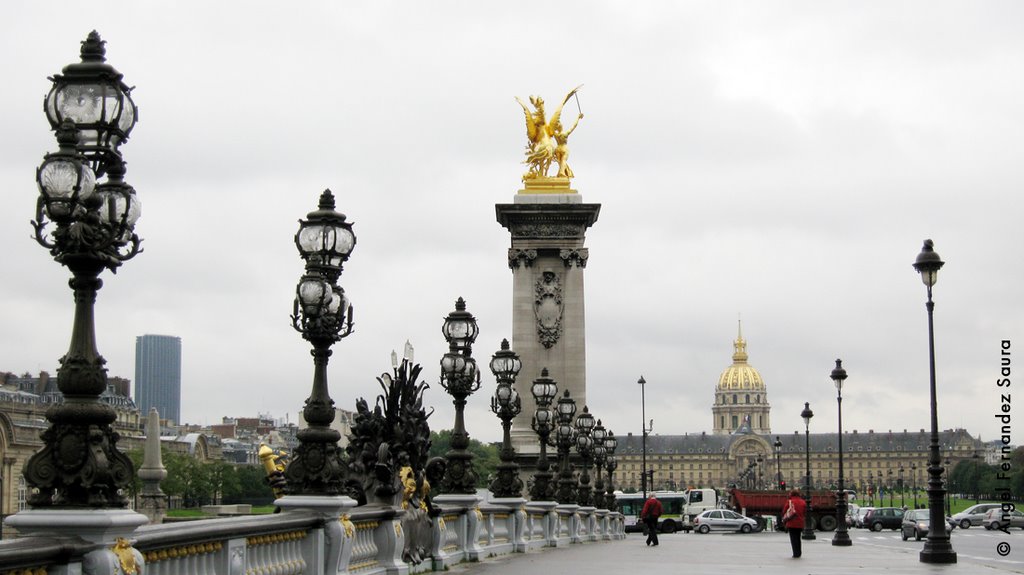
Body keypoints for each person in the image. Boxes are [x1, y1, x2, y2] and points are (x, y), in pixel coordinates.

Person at [781, 488, 808, 558]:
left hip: (791, 522)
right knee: (798, 538)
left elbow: (784, 511)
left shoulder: (790, 501)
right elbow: (805, 512)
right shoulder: (803, 502)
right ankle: (799, 552)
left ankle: (795, 553)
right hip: (800, 522)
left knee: (793, 539)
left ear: (791, 494)